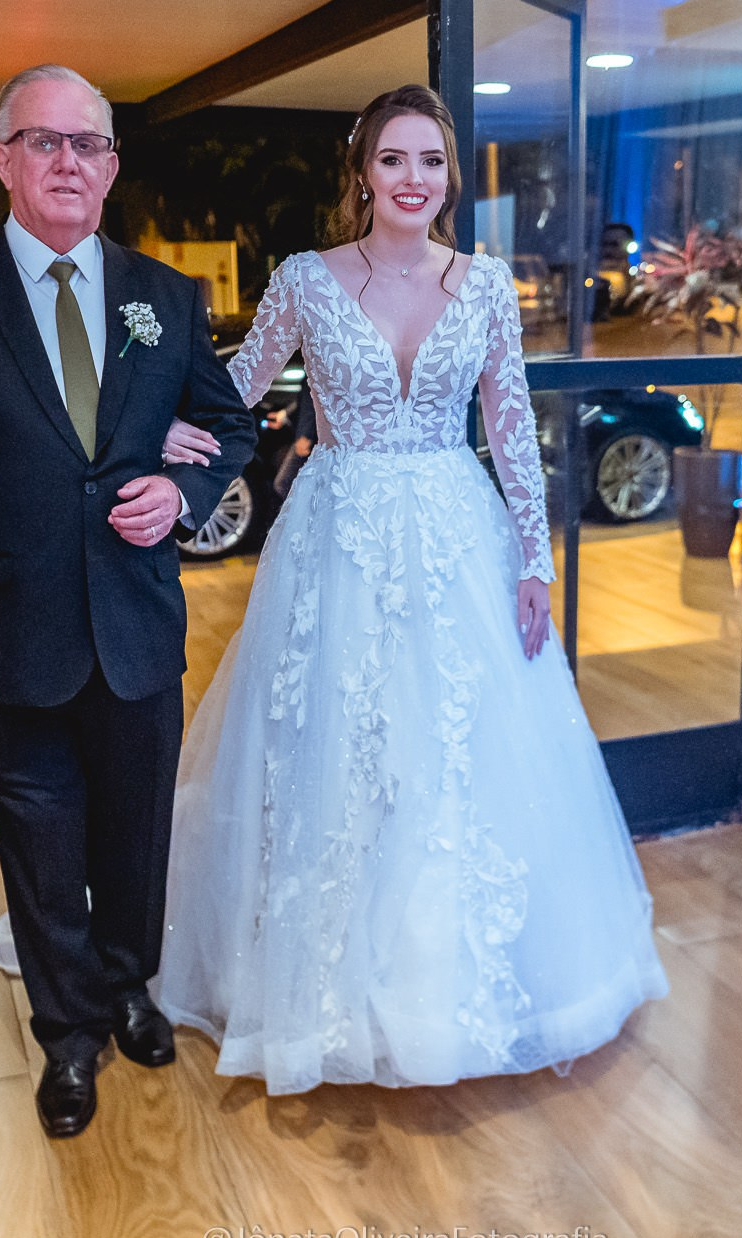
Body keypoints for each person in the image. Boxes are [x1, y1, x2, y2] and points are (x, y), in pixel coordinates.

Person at [153, 85, 667, 1096]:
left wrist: (534, 559)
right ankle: (315, 988)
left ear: (447, 178)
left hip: (451, 534)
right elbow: (239, 384)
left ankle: (449, 990)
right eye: (392, 160)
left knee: (452, 751)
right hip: (334, 536)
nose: (411, 180)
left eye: (430, 162)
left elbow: (509, 423)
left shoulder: (479, 287)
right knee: (331, 747)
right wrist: (162, 427)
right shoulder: (305, 279)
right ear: (361, 173)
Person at [0, 65, 256, 1138]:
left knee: (134, 834)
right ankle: (67, 1039)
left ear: (113, 166)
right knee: (38, 841)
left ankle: (130, 986)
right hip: (3, 630)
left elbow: (230, 429)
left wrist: (184, 488)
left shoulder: (165, 299)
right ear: (1, 161)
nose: (67, 161)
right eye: (43, 142)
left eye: (87, 144)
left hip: (133, 625)